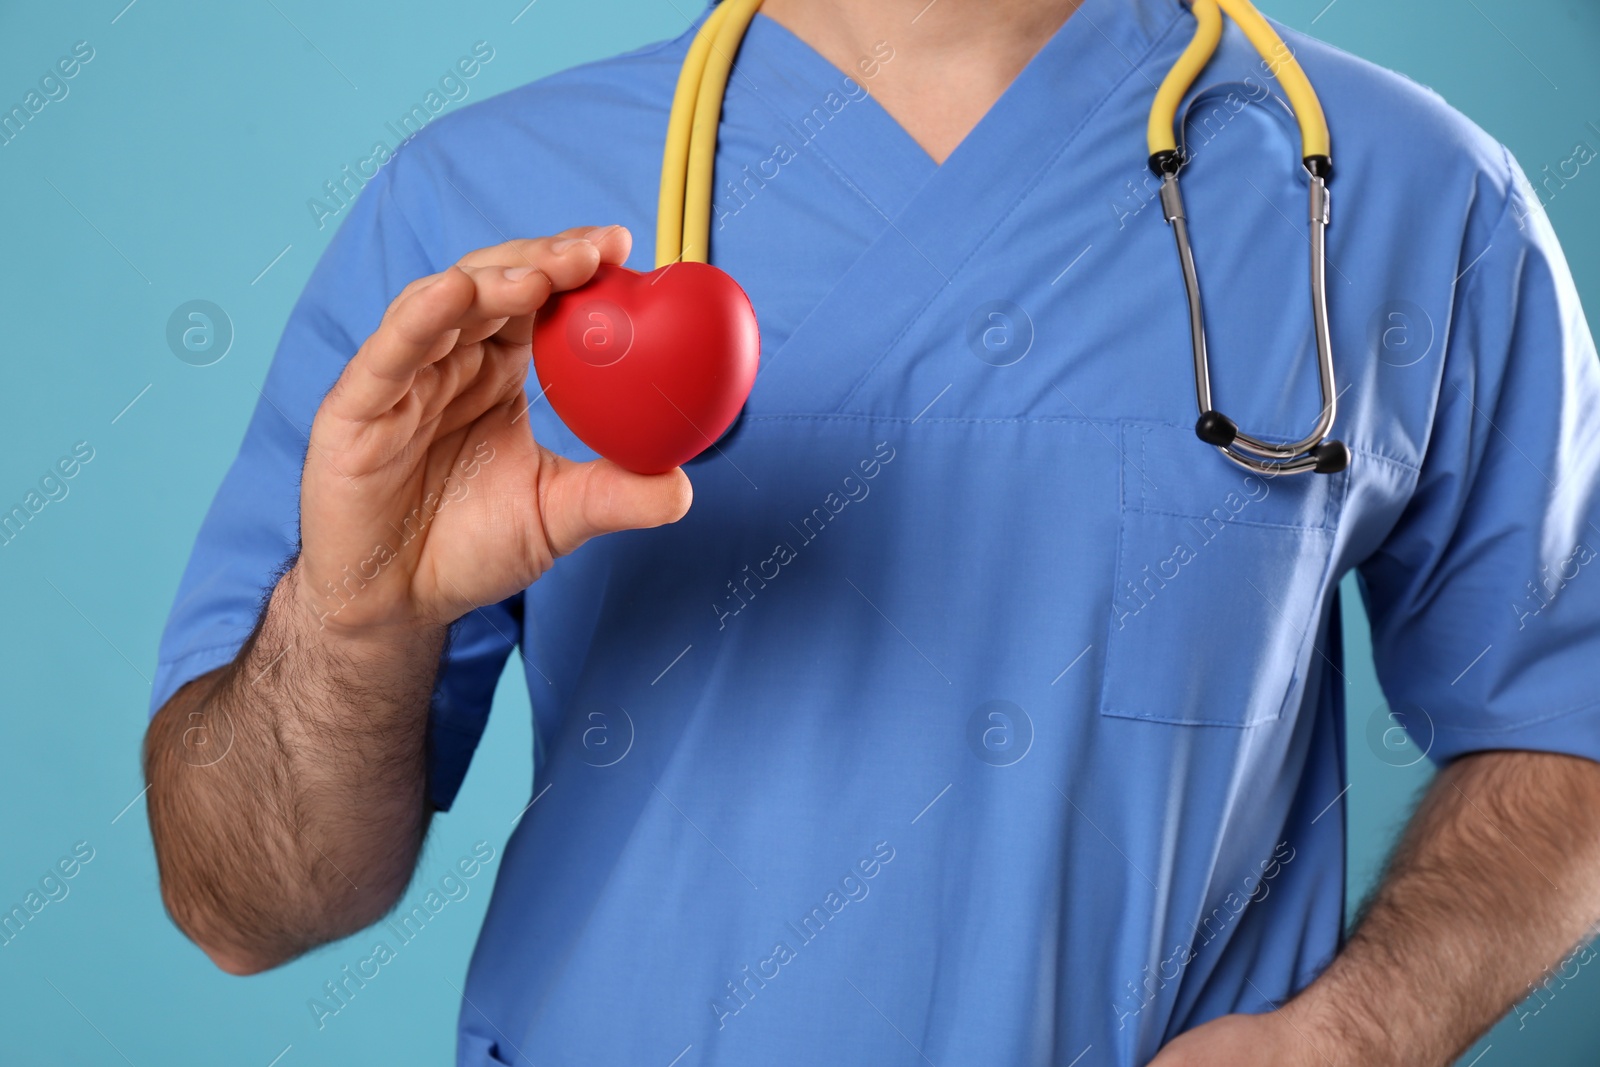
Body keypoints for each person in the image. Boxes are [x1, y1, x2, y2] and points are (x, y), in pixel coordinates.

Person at [142, 0, 1600, 1063]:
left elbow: (1572, 715)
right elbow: (244, 904)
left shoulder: (1407, 200)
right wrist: (356, 622)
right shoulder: (478, 216)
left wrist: (1360, 1035)